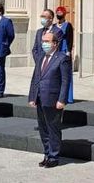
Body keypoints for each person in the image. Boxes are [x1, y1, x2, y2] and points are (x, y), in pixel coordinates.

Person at [29, 31, 71, 168]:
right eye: (43, 41)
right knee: (43, 128)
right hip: (40, 98)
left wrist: (62, 100)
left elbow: (65, 81)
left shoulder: (62, 58)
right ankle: (47, 154)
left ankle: (54, 156)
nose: (44, 44)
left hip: (53, 99)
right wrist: (32, 96)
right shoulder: (41, 57)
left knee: (53, 128)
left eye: (47, 41)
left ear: (55, 44)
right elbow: (35, 77)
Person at [55, 6, 74, 104]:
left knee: (66, 75)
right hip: (56, 52)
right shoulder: (54, 26)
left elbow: (70, 39)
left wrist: (69, 51)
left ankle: (68, 97)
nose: (58, 15)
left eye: (60, 13)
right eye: (57, 13)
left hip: (64, 51)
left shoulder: (68, 25)